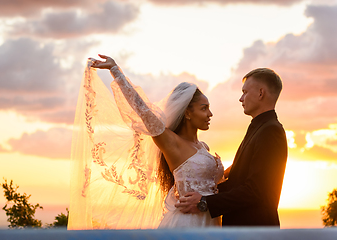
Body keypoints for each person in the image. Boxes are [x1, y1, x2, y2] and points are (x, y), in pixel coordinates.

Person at [67, 55, 224, 229]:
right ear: (187, 113)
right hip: (188, 223)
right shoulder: (171, 142)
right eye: (204, 108)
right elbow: (142, 110)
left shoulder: (203, 147)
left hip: (210, 219)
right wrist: (116, 71)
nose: (210, 114)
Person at [175, 68, 288, 227]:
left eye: (245, 92)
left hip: (254, 232)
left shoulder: (271, 131)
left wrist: (204, 202)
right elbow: (239, 180)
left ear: (261, 93)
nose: (241, 99)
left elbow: (256, 190)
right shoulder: (259, 128)